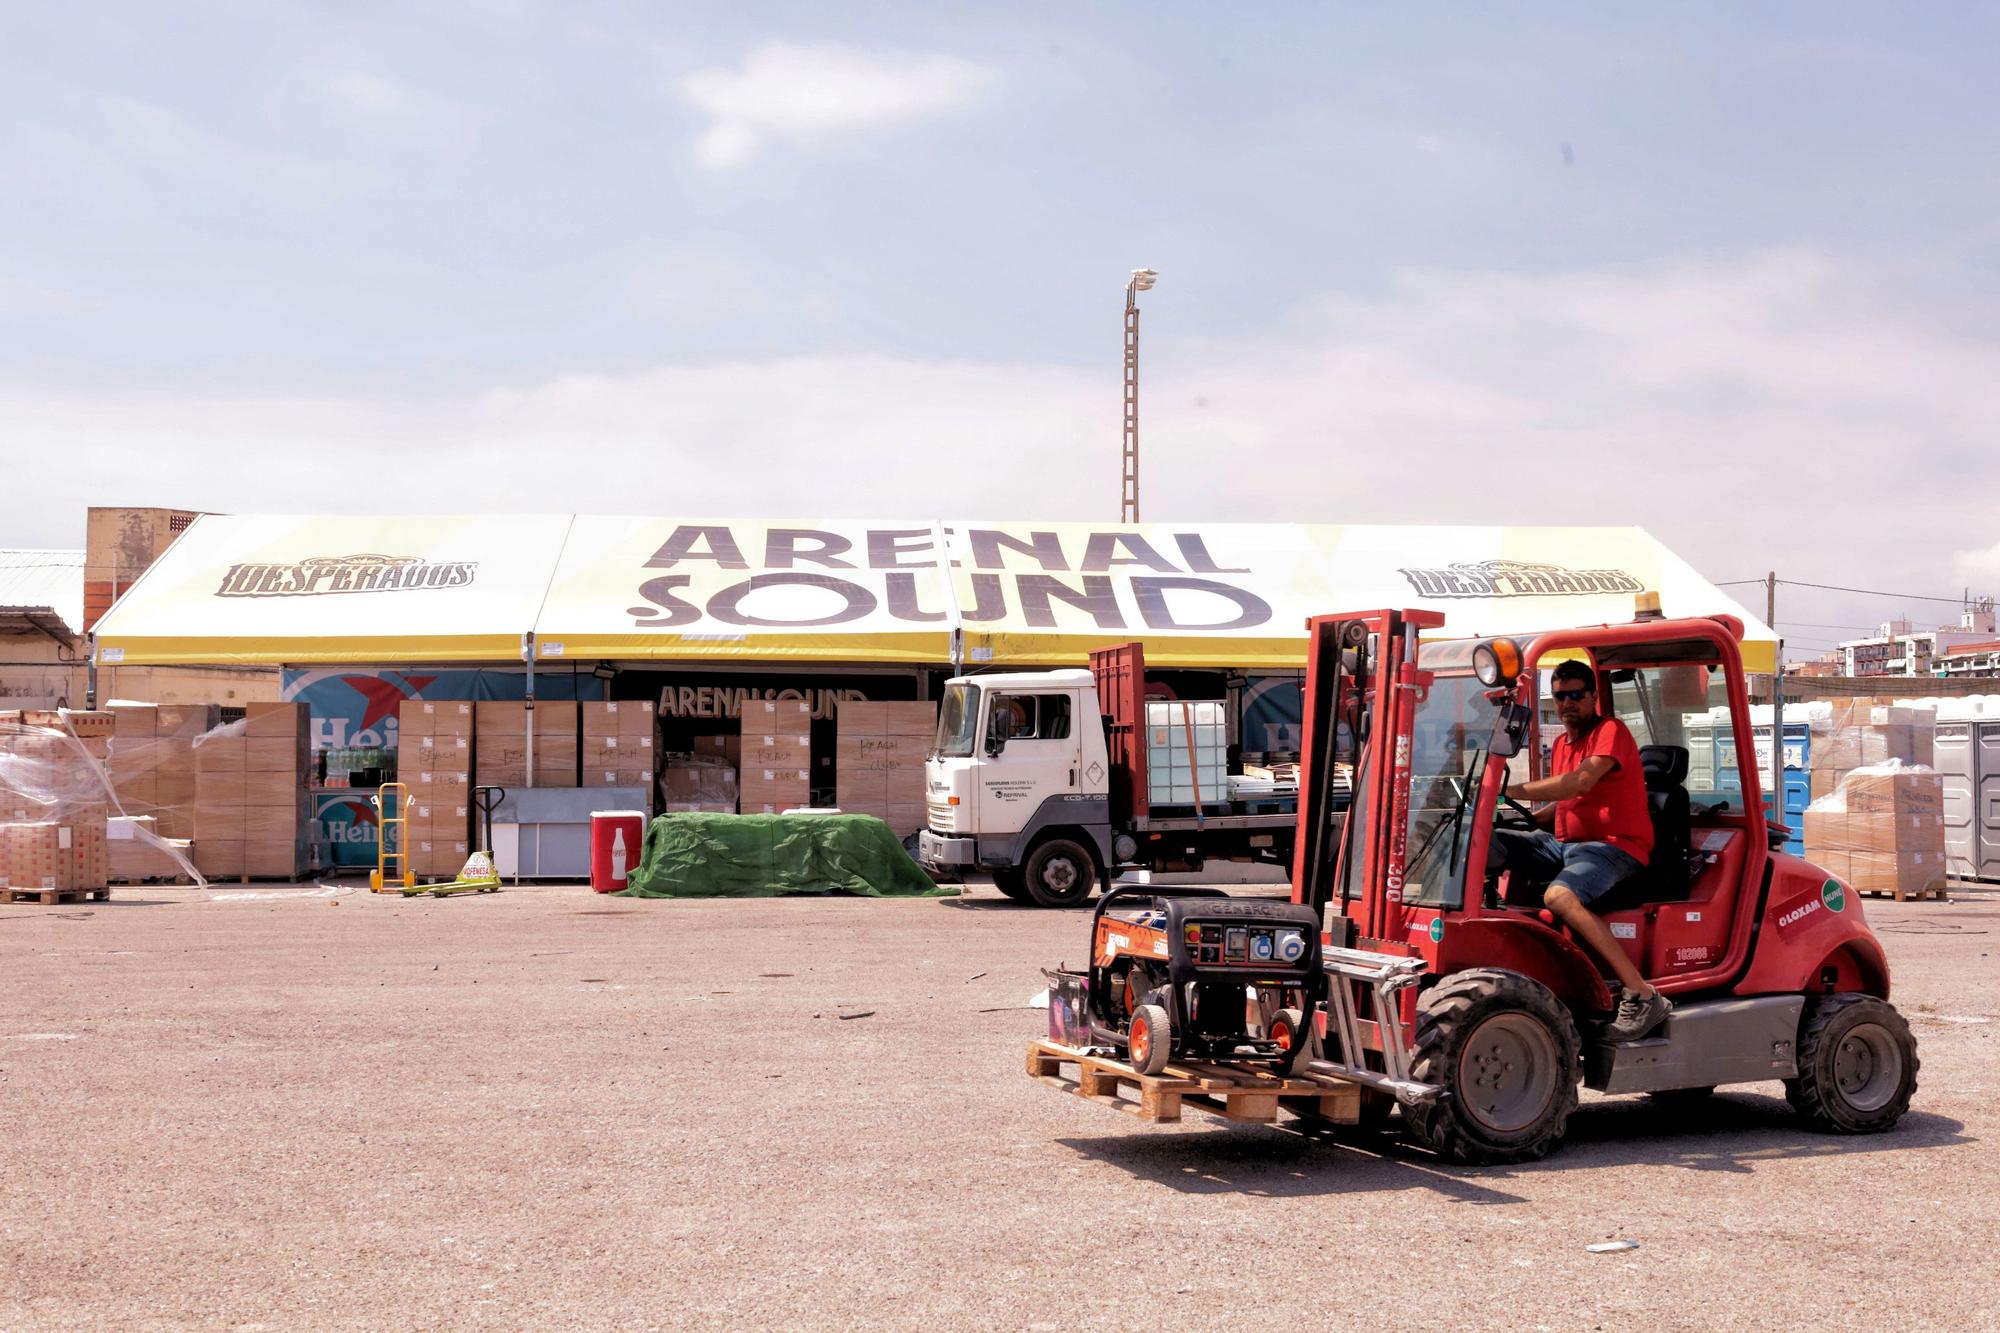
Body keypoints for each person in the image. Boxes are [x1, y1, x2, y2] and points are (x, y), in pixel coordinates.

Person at [1492, 659, 1670, 1041]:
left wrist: (1510, 790)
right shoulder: (1561, 743)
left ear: (1592, 697)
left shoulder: (1610, 731)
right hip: (1566, 845)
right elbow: (1567, 802)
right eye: (1560, 696)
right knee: (1488, 843)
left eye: (1576, 695)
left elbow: (1578, 784)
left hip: (1615, 847)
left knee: (1560, 895)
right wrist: (1524, 819)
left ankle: (1641, 992)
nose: (1568, 703)